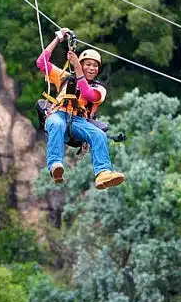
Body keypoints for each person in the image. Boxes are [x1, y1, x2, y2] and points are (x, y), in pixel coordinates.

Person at [36, 28, 126, 190]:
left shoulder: (99, 89)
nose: (92, 68)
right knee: (56, 124)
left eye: (95, 66)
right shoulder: (64, 77)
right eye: (88, 65)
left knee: (98, 134)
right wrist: (58, 38)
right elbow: (41, 62)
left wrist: (77, 67)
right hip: (58, 114)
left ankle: (103, 173)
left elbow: (87, 93)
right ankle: (55, 164)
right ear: (83, 65)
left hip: (78, 121)